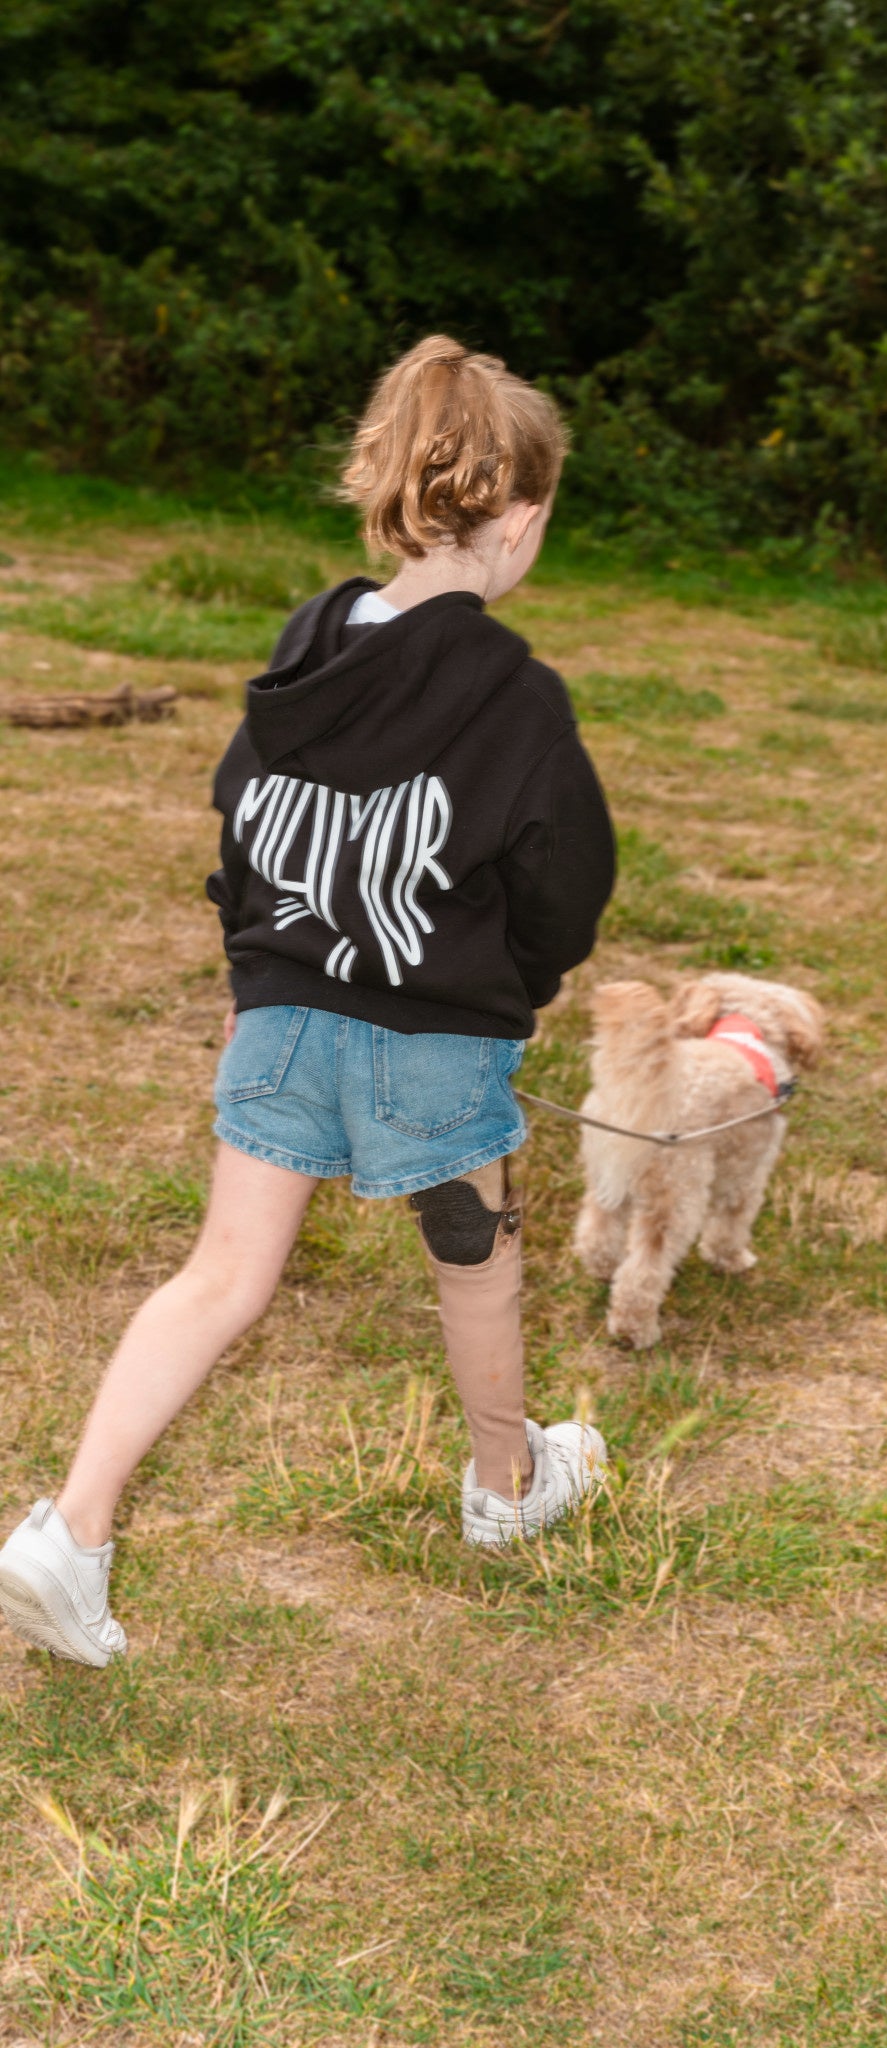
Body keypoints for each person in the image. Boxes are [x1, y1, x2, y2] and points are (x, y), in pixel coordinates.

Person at [0, 336, 616, 1668]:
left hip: (277, 1020)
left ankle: (69, 1529)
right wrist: (515, 992)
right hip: (435, 1042)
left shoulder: (309, 644)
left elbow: (241, 819)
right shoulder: (520, 699)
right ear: (518, 521)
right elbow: (563, 882)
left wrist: (253, 973)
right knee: (477, 1269)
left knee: (220, 1275)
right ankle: (505, 1488)